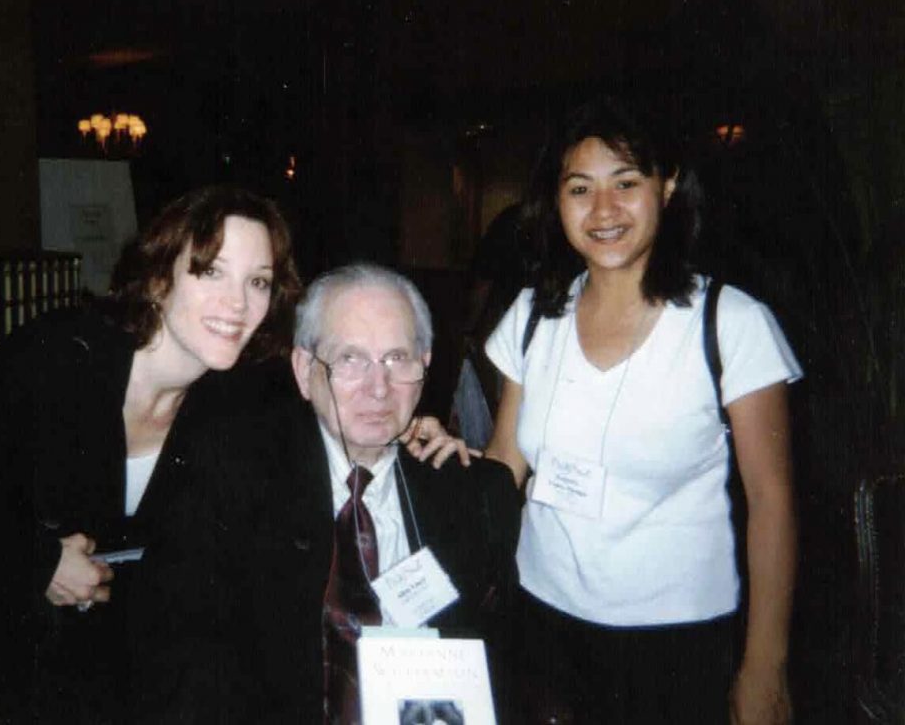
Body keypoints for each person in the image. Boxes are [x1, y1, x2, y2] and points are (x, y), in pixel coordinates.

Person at [483, 96, 801, 725]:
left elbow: (773, 504)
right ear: (557, 199)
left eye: (626, 183)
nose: (604, 210)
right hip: (541, 626)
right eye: (581, 188)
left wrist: (765, 666)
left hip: (678, 641)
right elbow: (501, 469)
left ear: (669, 185)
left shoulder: (731, 325)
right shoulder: (531, 317)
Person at [0, 185, 301, 722]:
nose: (238, 304)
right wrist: (37, 561)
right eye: (211, 272)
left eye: (258, 282)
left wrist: (407, 439)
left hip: (109, 688)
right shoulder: (59, 357)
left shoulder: (233, 402)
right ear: (158, 278)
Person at [128, 263, 520, 724]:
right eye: (350, 360)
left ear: (426, 364)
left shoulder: (477, 495)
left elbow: (502, 668)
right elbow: (185, 663)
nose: (378, 388)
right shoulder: (232, 483)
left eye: (397, 358)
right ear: (303, 370)